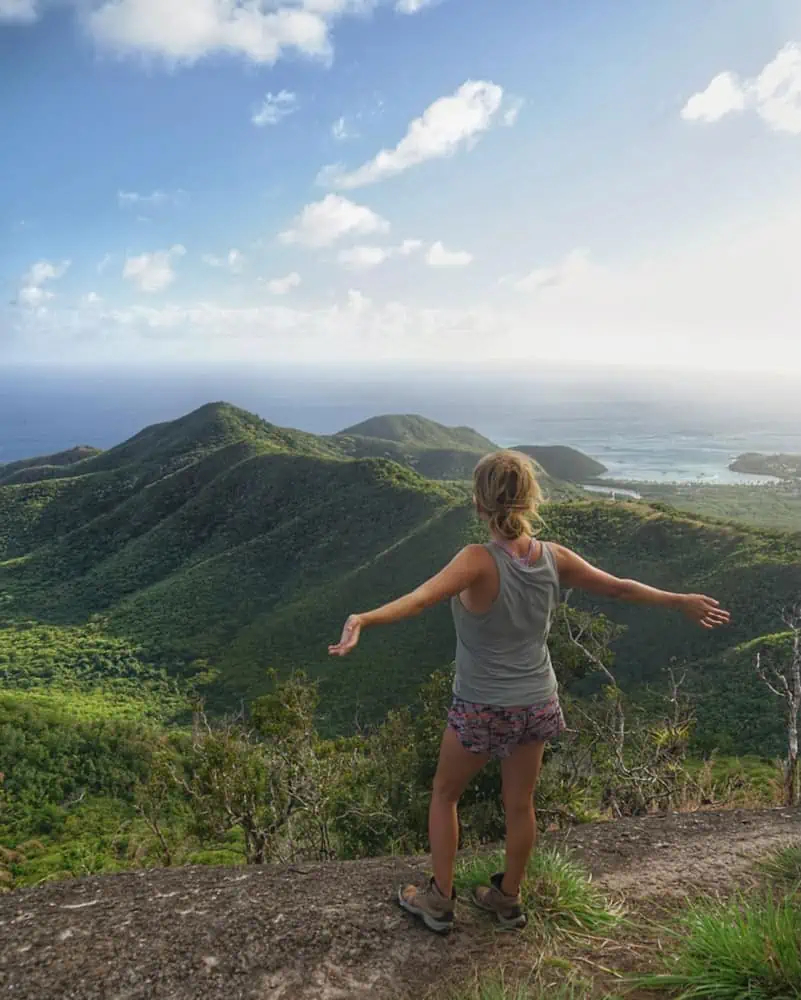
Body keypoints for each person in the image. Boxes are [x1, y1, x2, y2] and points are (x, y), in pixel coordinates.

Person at [328, 450, 730, 934]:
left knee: (445, 794)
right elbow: (620, 588)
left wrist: (363, 619)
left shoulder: (476, 560)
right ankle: (507, 899)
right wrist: (679, 600)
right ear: (530, 500)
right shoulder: (553, 557)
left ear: (479, 505)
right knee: (520, 803)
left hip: (481, 705)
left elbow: (419, 599)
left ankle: (438, 900)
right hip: (538, 701)